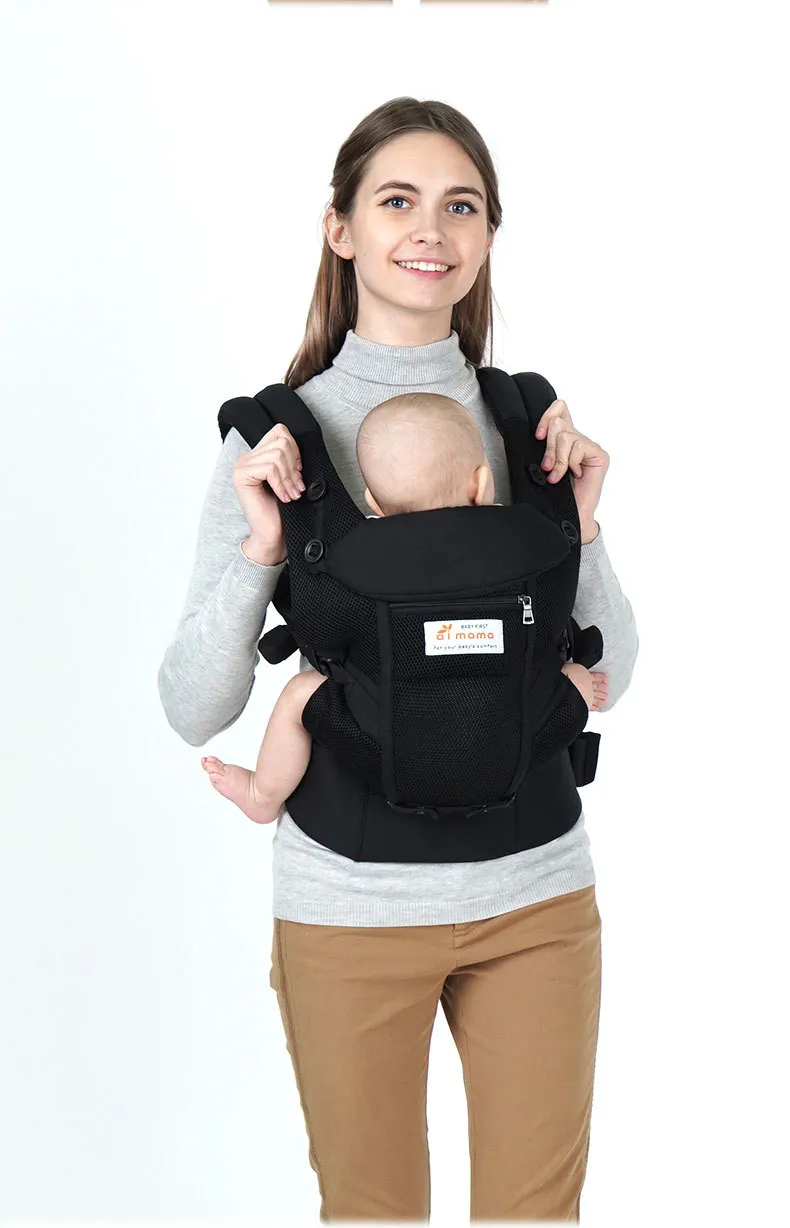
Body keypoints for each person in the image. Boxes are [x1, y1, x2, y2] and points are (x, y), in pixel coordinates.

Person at [157, 97, 639, 1222]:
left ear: (488, 236)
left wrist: (581, 524)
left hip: (536, 898)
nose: (431, 229)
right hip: (348, 907)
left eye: (461, 206)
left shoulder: (531, 425)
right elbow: (193, 706)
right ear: (341, 229)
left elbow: (615, 670)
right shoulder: (274, 438)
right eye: (397, 200)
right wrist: (260, 551)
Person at [199, 390, 609, 826]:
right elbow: (560, 626)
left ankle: (262, 794)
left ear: (374, 506)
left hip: (386, 755)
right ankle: (582, 686)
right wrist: (577, 520)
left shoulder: (350, 567)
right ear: (482, 484)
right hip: (514, 750)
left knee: (299, 694)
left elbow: (322, 634)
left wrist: (269, 546)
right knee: (575, 674)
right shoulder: (537, 545)